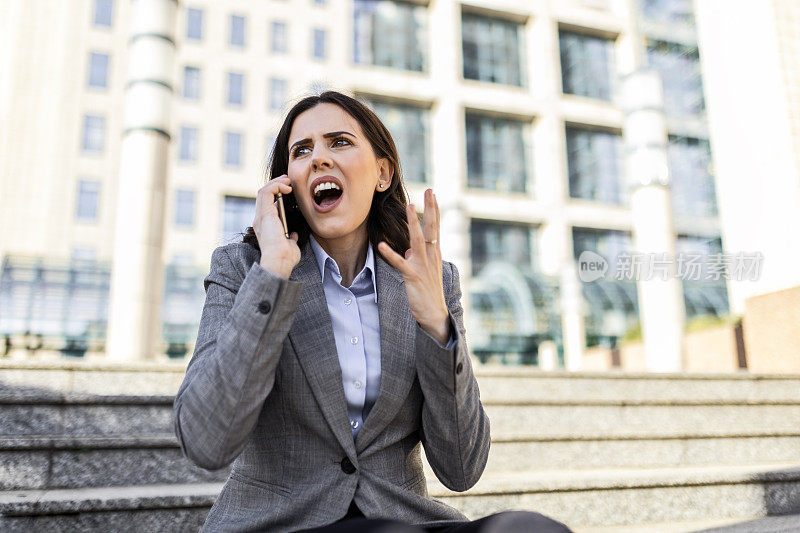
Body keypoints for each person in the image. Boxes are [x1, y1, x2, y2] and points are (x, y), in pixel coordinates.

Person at [173, 91, 572, 533]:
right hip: (279, 524)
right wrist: (273, 275)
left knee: (531, 529)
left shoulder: (427, 278)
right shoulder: (244, 269)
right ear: (288, 182)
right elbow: (205, 442)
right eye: (301, 150)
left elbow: (462, 468)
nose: (319, 159)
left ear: (382, 173)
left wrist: (437, 327)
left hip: (402, 518)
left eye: (338, 142)